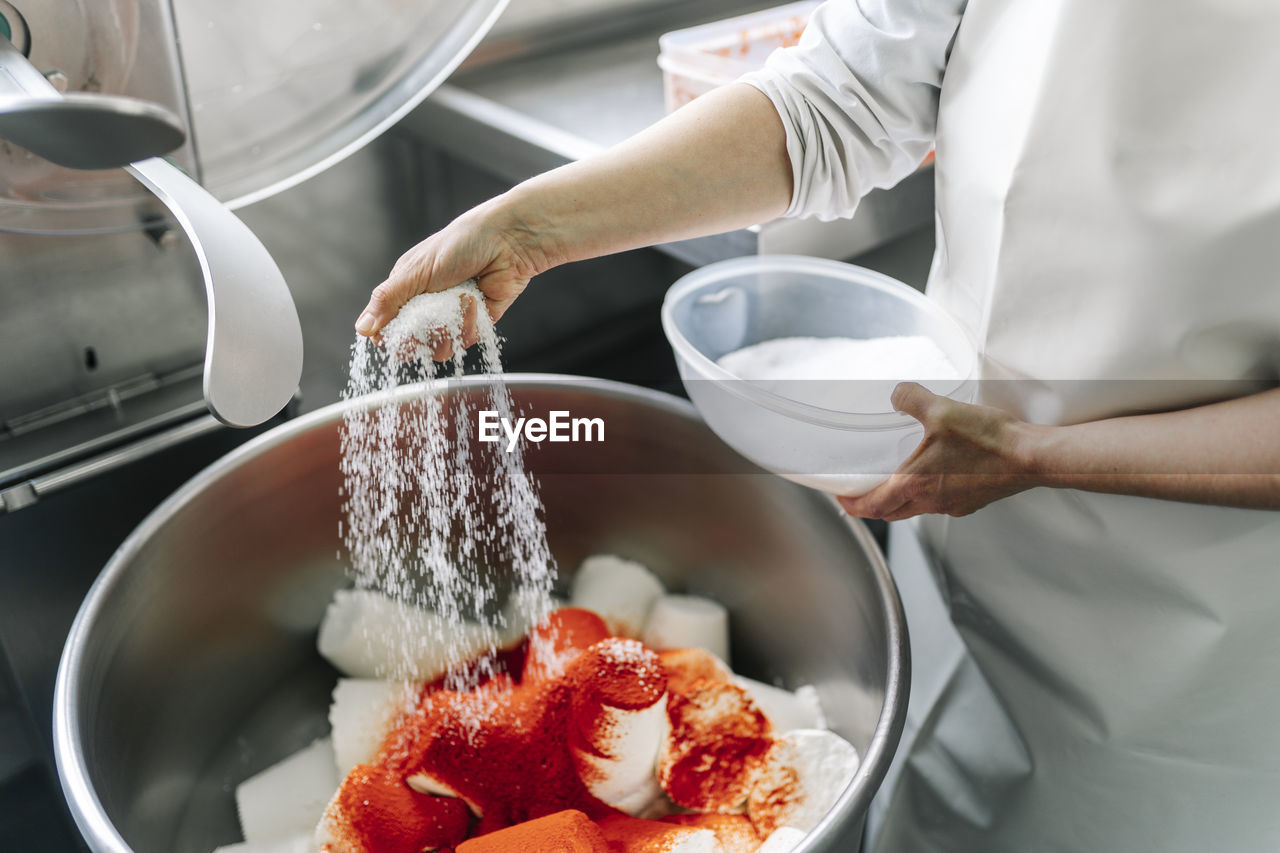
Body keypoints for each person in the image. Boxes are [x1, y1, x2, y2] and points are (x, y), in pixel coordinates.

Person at [355, 1, 1280, 849]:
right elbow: (841, 98)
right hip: (959, 519)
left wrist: (1042, 456)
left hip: (1196, 623)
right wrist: (534, 228)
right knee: (928, 795)